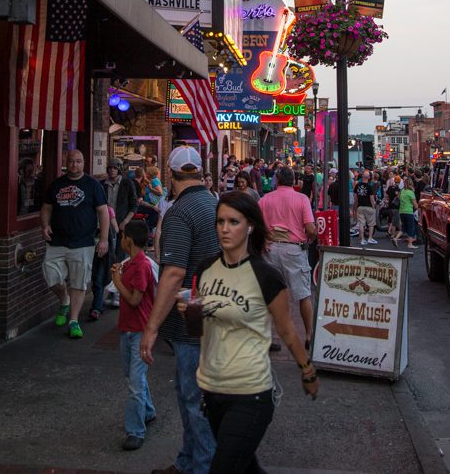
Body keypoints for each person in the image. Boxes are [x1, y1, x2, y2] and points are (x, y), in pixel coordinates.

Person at [181, 190, 319, 473]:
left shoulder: (266, 275)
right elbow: (197, 330)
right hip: (212, 390)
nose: (225, 229)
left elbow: (287, 331)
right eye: (220, 222)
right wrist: (191, 312)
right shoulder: (205, 268)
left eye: (234, 222)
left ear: (251, 226)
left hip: (251, 392)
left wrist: (307, 371)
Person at [141, 145, 219, 474]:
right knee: (193, 396)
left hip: (192, 321)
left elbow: (172, 274)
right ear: (199, 173)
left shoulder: (179, 212)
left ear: (170, 176)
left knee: (194, 400)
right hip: (212, 314)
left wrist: (152, 327)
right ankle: (188, 462)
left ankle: (201, 467)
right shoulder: (214, 204)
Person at [40, 149, 109, 339]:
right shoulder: (57, 184)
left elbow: (103, 212)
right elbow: (46, 207)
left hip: (83, 242)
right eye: (71, 161)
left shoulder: (93, 185)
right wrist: (45, 225)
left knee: (79, 282)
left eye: (78, 161)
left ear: (84, 162)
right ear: (66, 162)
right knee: (51, 275)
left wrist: (103, 239)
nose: (74, 165)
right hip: (57, 240)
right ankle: (64, 299)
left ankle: (73, 320)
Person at [110, 219, 156, 450]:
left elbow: (134, 300)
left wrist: (116, 281)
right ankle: (147, 411)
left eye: (123, 235)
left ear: (129, 239)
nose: (120, 239)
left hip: (139, 330)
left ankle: (135, 431)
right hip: (126, 328)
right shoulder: (129, 264)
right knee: (132, 376)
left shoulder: (142, 266)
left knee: (136, 382)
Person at [259, 166, 316, 349]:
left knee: (269, 295)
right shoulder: (302, 199)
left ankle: (267, 338)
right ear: (295, 181)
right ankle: (308, 336)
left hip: (271, 248)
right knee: (303, 294)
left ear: (277, 180)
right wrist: (310, 239)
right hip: (293, 248)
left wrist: (265, 239)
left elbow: (256, 225)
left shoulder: (265, 199)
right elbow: (310, 228)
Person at [89, 205, 119, 320]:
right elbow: (115, 229)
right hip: (95, 251)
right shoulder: (108, 209)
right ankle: (98, 306)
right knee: (97, 278)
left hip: (102, 253)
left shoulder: (107, 210)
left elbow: (115, 229)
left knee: (98, 278)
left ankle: (96, 307)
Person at [354, 169, 378, 246]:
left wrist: (355, 206)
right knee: (371, 224)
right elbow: (372, 199)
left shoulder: (357, 185)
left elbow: (356, 198)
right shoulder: (369, 187)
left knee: (361, 224)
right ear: (369, 178)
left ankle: (362, 239)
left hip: (360, 207)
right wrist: (373, 207)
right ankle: (370, 238)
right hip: (368, 207)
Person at [396, 175, 418, 249]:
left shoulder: (402, 191)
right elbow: (415, 205)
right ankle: (410, 244)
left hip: (401, 211)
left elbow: (398, 197)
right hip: (409, 211)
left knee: (404, 227)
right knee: (411, 228)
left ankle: (396, 238)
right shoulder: (410, 192)